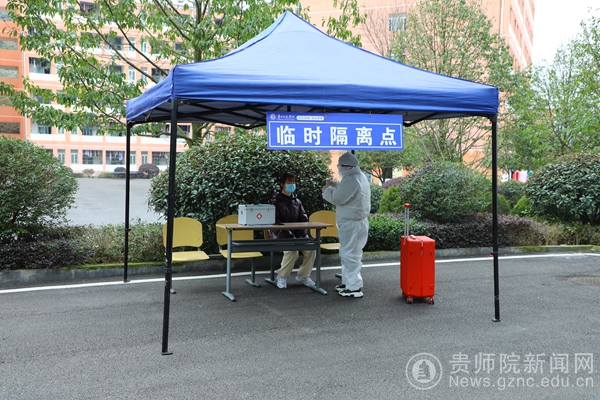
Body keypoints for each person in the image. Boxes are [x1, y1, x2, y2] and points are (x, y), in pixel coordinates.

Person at [322, 152, 371, 298]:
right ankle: (348, 283)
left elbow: (338, 197)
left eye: (340, 166)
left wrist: (327, 190)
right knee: (353, 254)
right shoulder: (360, 177)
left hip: (350, 224)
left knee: (349, 255)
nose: (339, 169)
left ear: (345, 166)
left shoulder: (351, 179)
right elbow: (348, 190)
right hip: (360, 223)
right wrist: (335, 183)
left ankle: (354, 287)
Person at [269, 172, 316, 289]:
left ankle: (303, 276)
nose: (292, 185)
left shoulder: (297, 201)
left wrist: (300, 235)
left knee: (311, 249)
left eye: (294, 182)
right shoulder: (275, 202)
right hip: (281, 236)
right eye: (289, 183)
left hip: (297, 236)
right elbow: (275, 223)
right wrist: (290, 236)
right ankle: (282, 276)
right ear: (282, 184)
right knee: (292, 251)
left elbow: (303, 220)